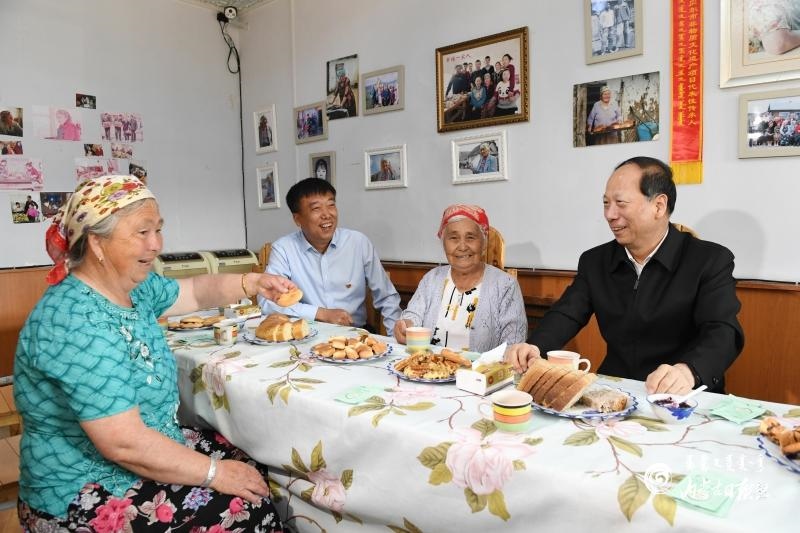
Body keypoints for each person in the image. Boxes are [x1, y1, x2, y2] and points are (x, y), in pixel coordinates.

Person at [14, 175, 291, 531]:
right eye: (142, 232)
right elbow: (124, 443)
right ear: (97, 242)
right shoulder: (74, 320)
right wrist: (215, 473)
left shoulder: (132, 286)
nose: (157, 244)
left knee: (258, 457)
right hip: (84, 484)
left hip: (147, 444)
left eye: (158, 229)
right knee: (249, 507)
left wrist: (252, 282)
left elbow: (195, 291)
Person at [506, 157, 744, 395]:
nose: (610, 214)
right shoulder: (595, 261)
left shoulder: (709, 260)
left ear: (659, 206)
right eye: (606, 203)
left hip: (684, 393)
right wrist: (535, 346)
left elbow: (723, 331)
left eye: (621, 203)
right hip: (618, 389)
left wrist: (688, 370)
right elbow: (567, 313)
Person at [258, 177, 401, 332]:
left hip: (354, 335)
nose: (327, 214)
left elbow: (387, 298)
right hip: (306, 334)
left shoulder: (358, 243)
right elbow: (267, 302)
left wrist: (395, 338)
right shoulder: (284, 249)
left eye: (331, 205)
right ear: (297, 219)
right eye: (316, 208)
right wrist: (321, 314)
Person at [394, 204, 526, 352]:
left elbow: (514, 344)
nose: (462, 246)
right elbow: (413, 315)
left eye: (470, 237)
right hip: (430, 365)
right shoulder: (431, 279)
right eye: (453, 238)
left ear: (483, 243)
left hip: (481, 367)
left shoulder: (506, 285)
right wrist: (406, 325)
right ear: (444, 243)